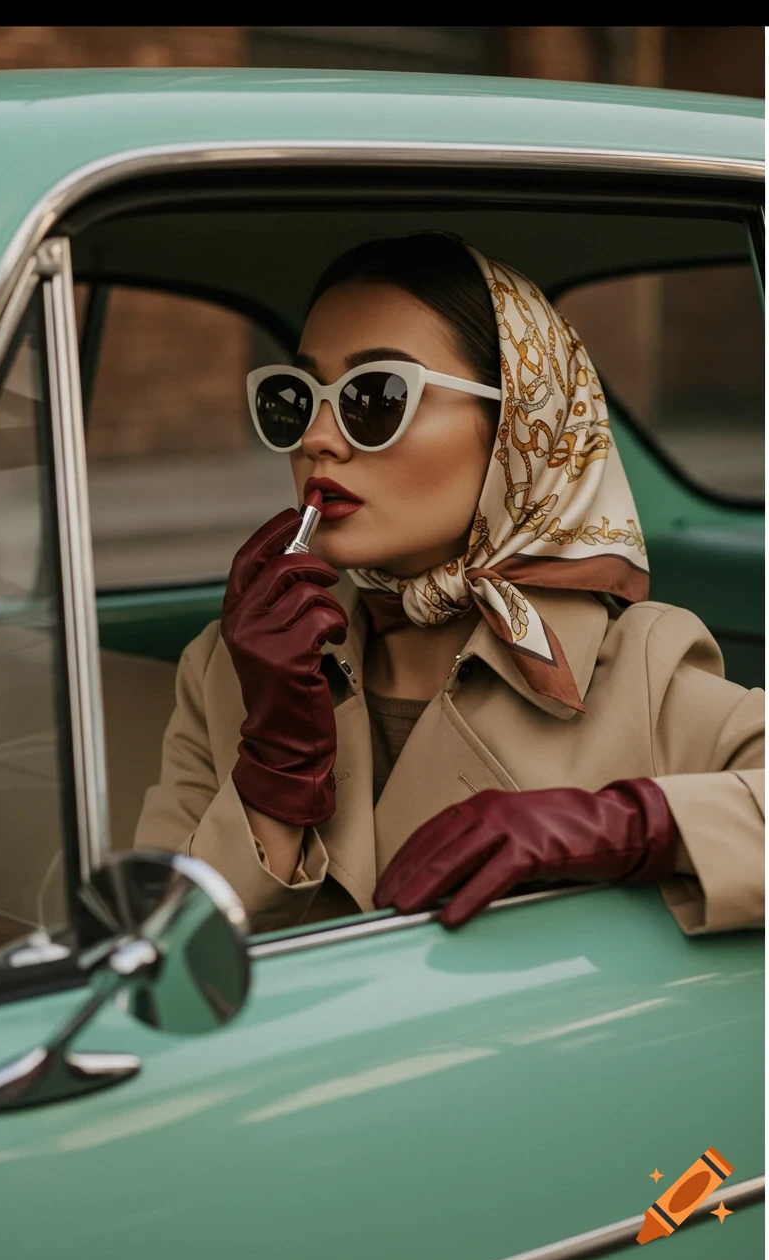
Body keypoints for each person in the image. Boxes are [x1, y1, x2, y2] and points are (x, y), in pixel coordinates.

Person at [135, 232, 764, 937]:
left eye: (374, 396)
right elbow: (146, 956)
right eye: (295, 396)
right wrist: (273, 775)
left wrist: (628, 826)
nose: (316, 435)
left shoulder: (641, 670)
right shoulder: (229, 671)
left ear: (516, 428)